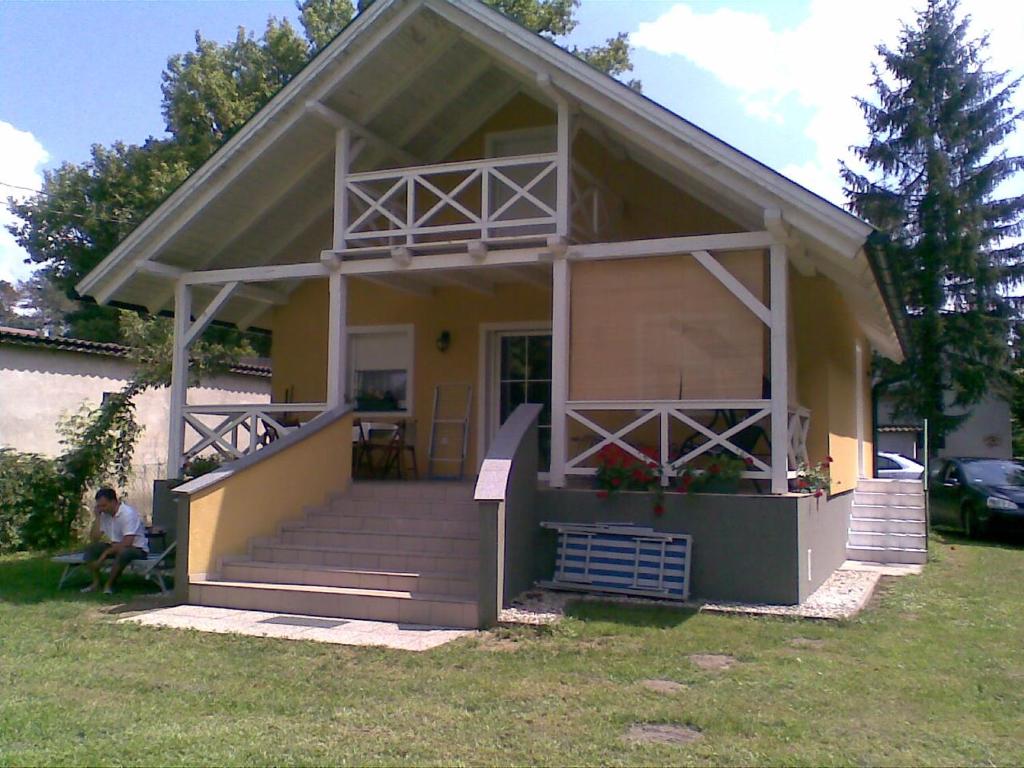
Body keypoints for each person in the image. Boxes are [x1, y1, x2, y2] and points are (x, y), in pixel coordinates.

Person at [81, 487, 149, 595]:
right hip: (116, 546)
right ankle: (96, 583)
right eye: (99, 506)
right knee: (91, 548)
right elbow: (94, 538)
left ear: (113, 502)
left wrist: (104, 555)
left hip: (136, 549)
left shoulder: (128, 514)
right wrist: (98, 517)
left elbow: (127, 542)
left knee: (124, 553)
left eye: (104, 505)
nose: (102, 509)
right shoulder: (104, 514)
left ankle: (109, 585)